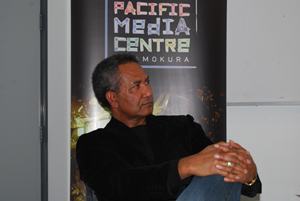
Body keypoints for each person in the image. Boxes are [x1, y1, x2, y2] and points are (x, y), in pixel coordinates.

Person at [76, 53, 262, 201]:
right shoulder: (92, 143)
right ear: (113, 98)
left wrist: (249, 175)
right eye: (136, 86)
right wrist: (186, 166)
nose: (148, 92)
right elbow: (123, 185)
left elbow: (218, 179)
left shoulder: (183, 127)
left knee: (220, 166)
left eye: (147, 82)